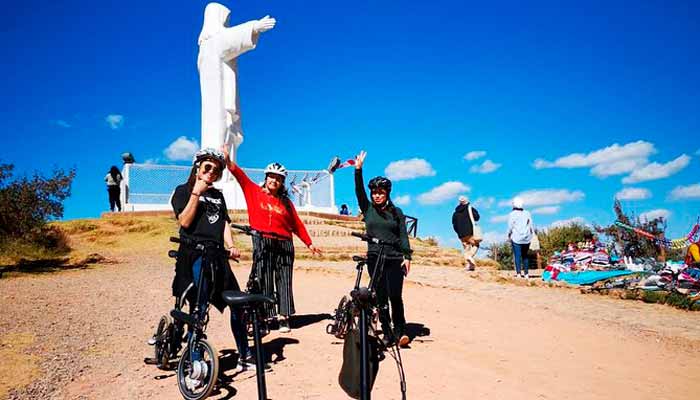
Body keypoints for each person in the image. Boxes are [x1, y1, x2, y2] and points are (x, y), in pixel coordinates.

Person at [170, 148, 254, 371]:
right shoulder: (183, 190)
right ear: (197, 167)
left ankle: (245, 355)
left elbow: (224, 222)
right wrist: (196, 193)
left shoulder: (218, 195)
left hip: (217, 255)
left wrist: (232, 246)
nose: (211, 173)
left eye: (216, 171)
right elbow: (185, 222)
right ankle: (194, 358)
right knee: (199, 306)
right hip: (194, 254)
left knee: (239, 303)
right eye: (207, 167)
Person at [223, 146, 321, 333]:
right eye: (272, 176)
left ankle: (284, 317)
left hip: (285, 243)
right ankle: (267, 317)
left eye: (278, 178)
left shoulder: (286, 202)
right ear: (266, 177)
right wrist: (228, 161)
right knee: (264, 278)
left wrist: (309, 243)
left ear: (282, 182)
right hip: (262, 241)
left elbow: (297, 224)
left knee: (284, 279)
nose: (274, 180)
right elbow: (240, 175)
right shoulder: (253, 191)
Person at [354, 150, 413, 347]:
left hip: (394, 258)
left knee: (396, 296)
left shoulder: (397, 212)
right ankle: (387, 333)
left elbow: (403, 235)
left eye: (381, 192)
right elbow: (359, 191)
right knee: (380, 297)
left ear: (387, 193)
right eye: (374, 192)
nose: (377, 195)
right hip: (375, 257)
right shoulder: (368, 209)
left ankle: (401, 331)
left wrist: (407, 256)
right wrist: (358, 170)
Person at [507, 197, 534, 278]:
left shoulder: (512, 214)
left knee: (517, 256)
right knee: (525, 256)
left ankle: (519, 273)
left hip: (516, 237)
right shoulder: (527, 213)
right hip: (527, 238)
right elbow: (531, 225)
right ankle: (526, 274)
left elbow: (510, 227)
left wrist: (508, 235)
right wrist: (532, 235)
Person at [451, 195, 480, 271]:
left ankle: (469, 266)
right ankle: (469, 257)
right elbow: (477, 217)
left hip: (461, 234)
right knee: (476, 244)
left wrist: (458, 232)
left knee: (466, 248)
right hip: (470, 232)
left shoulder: (456, 212)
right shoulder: (470, 208)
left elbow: (454, 224)